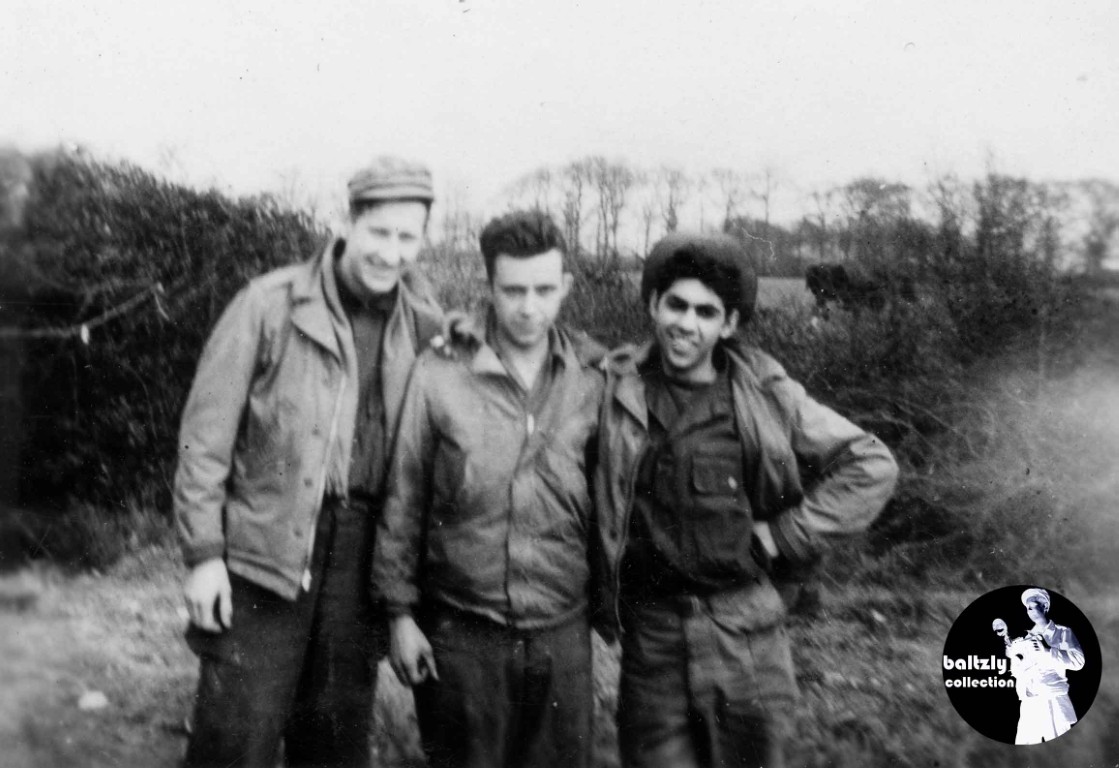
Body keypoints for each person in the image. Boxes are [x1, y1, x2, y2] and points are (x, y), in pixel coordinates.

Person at [173, 155, 444, 768]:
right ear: (346, 223)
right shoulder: (268, 305)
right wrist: (204, 556)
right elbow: (202, 442)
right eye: (379, 232)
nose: (391, 253)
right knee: (233, 742)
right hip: (263, 557)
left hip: (359, 566)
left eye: (407, 238)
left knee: (334, 748)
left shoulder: (425, 327)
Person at [593, 233, 899, 768]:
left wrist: (784, 535)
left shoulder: (765, 397)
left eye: (706, 312)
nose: (687, 323)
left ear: (729, 324)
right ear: (653, 304)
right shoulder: (613, 390)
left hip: (747, 635)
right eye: (676, 305)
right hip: (652, 639)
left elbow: (872, 465)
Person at [373, 209, 605, 768]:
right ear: (489, 285)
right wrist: (400, 616)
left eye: (544, 290)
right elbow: (404, 498)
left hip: (561, 634)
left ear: (566, 286)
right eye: (513, 290)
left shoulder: (596, 377)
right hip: (462, 635)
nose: (529, 307)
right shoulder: (439, 373)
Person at [1008, 587, 1085, 744]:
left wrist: (1048, 650)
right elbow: (1017, 672)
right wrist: (1015, 659)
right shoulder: (1025, 639)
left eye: (1033, 606)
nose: (1029, 611)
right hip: (1030, 702)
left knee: (1060, 748)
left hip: (1053, 699)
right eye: (1027, 608)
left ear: (1044, 606)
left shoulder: (1063, 632)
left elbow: (1078, 661)